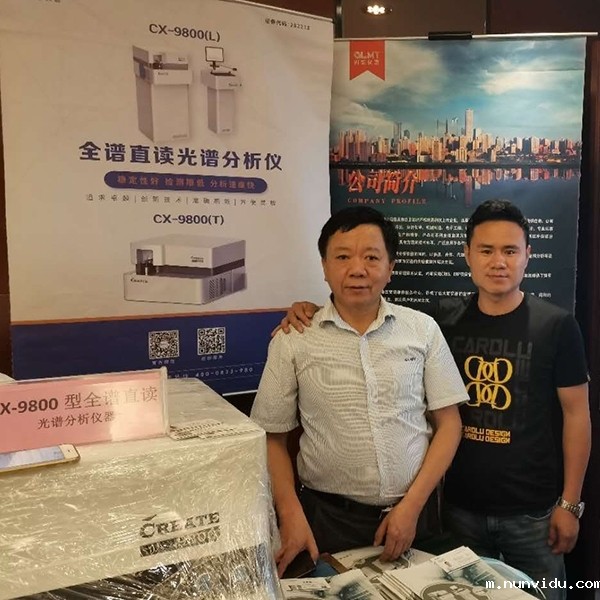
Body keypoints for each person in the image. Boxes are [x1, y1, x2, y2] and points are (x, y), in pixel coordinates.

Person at [280, 200, 591, 600]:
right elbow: (361, 308)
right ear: (467, 255)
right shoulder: (439, 322)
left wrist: (570, 503)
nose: (498, 262)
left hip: (533, 513)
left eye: (510, 250)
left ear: (528, 255)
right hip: (458, 511)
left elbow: (576, 415)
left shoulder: (557, 325)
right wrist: (306, 310)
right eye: (486, 250)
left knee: (544, 595)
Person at [250, 206, 468, 577]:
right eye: (342, 257)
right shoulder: (294, 339)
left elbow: (450, 425)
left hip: (417, 515)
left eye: (371, 257)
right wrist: (290, 515)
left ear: (390, 267)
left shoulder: (423, 330)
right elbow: (273, 437)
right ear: (324, 266)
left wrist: (411, 507)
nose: (357, 269)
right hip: (327, 520)